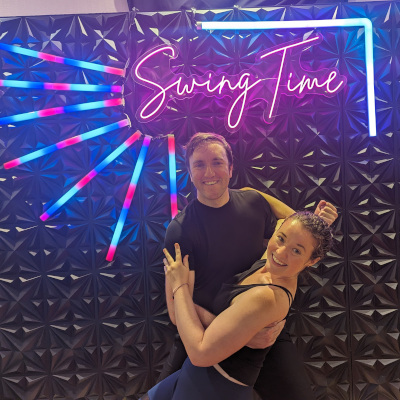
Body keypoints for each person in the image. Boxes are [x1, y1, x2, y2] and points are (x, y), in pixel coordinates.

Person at [158, 132, 338, 399]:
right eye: (199, 164)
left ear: (231, 168)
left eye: (218, 162)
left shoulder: (254, 201)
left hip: (264, 331)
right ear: (189, 171)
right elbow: (176, 310)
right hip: (206, 331)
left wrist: (321, 222)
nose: (209, 172)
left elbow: (297, 230)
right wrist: (240, 333)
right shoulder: (181, 230)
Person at [143, 211, 333, 399]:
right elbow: (283, 217)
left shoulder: (267, 296)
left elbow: (200, 354)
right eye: (281, 238)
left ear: (312, 261)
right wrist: (313, 217)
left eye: (297, 250)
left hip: (214, 388)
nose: (281, 252)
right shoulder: (270, 263)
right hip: (194, 375)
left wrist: (180, 286)